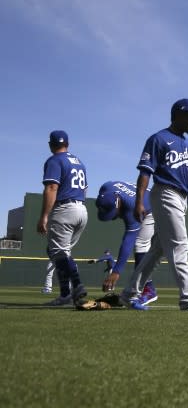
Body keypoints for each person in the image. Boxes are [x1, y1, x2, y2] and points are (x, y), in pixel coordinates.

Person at [119, 98, 188, 311]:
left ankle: (129, 294)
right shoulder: (158, 139)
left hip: (182, 198)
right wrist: (138, 201)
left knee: (157, 251)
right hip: (165, 193)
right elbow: (145, 172)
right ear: (178, 116)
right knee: (180, 246)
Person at [38, 130, 89, 307]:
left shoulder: (54, 160)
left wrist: (44, 216)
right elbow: (85, 189)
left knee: (60, 254)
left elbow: (52, 188)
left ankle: (76, 285)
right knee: (60, 253)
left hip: (64, 209)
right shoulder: (79, 162)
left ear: (50, 145)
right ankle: (66, 294)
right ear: (67, 144)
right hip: (81, 209)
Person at [94, 181, 158, 305]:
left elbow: (127, 242)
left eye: (113, 214)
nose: (112, 217)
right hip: (141, 196)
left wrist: (116, 272)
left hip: (152, 207)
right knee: (140, 246)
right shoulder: (105, 187)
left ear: (118, 205)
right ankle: (140, 288)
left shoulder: (132, 208)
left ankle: (147, 290)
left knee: (140, 245)